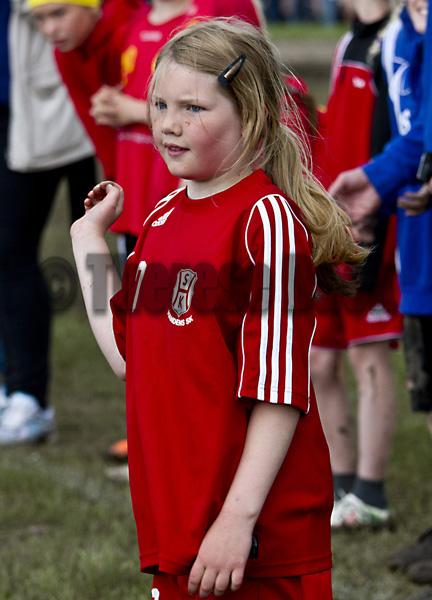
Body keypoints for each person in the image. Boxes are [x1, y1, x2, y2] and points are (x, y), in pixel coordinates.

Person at [71, 18, 367, 598]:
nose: (168, 124)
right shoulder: (161, 217)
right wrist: (88, 241)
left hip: (257, 539)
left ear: (250, 115)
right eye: (160, 104)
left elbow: (279, 394)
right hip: (181, 523)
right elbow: (129, 359)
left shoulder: (267, 221)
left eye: (194, 108)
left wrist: (237, 520)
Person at [311, 0, 402, 530]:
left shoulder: (400, 41)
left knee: (368, 357)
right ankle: (341, 483)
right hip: (331, 221)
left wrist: (375, 217)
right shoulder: (349, 39)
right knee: (319, 361)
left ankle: (371, 491)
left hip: (371, 223)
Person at [0, 0, 95, 444]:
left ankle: (28, 395)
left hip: (62, 108)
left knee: (113, 261)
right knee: (9, 253)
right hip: (20, 108)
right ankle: (21, 391)